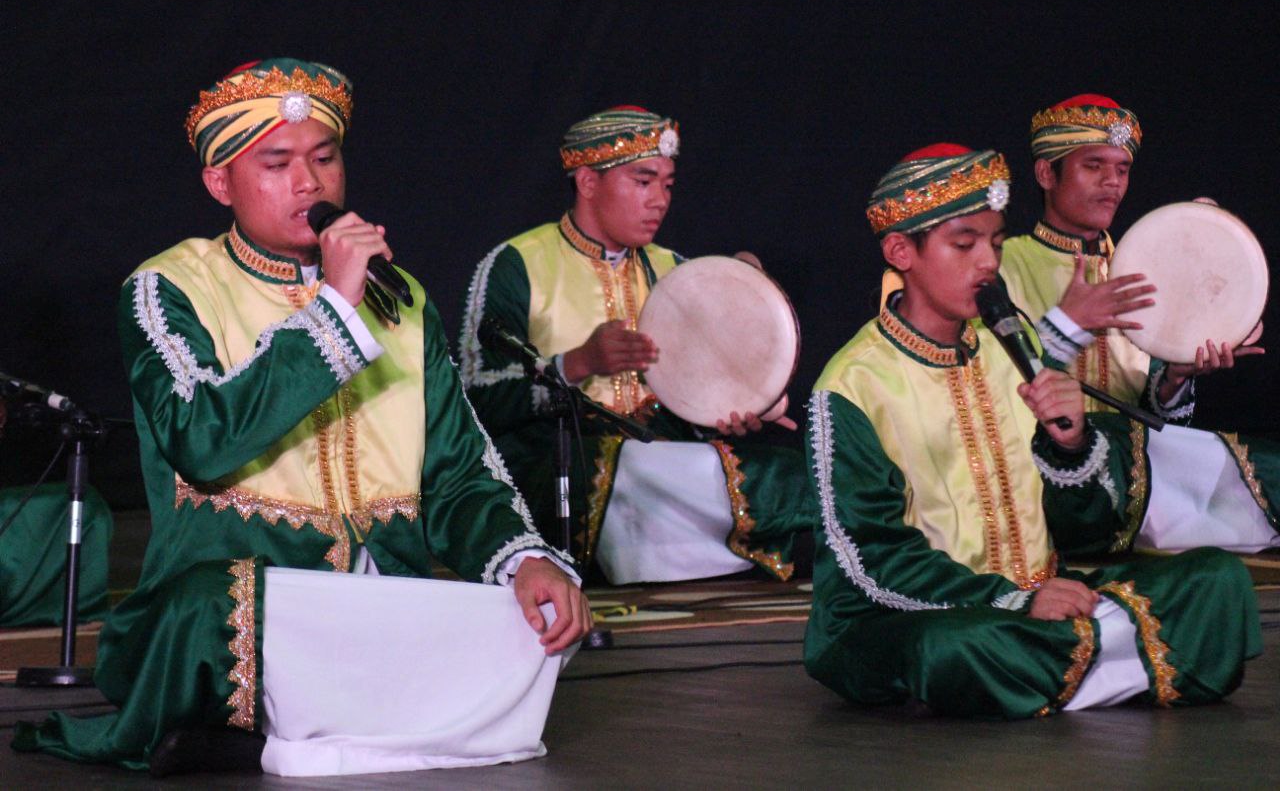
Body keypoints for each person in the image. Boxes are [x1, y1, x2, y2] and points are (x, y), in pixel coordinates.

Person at [13, 58, 589, 776]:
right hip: (253, 605)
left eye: (324, 158)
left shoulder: (401, 298)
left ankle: (313, 735)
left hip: (379, 605)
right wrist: (337, 317)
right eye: (277, 162)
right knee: (203, 608)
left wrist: (525, 558)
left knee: (522, 616)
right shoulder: (167, 288)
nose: (309, 183)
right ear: (220, 182)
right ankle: (366, 726)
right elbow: (201, 440)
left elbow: (461, 472)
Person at [804, 143, 1260, 718]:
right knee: (948, 649)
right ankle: (1109, 659)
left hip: (1040, 595)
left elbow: (1081, 523)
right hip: (914, 614)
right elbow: (869, 561)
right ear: (902, 251)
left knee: (1216, 579)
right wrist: (1017, 600)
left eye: (994, 244)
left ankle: (1066, 666)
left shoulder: (1013, 350)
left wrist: (1071, 446)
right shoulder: (850, 385)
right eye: (964, 244)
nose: (989, 263)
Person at [459, 106, 814, 585]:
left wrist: (743, 405)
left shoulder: (680, 272)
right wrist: (577, 364)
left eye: (667, 185)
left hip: (668, 457)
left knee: (796, 473)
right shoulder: (516, 262)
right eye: (643, 182)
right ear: (587, 182)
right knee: (639, 470)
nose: (660, 201)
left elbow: (700, 393)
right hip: (564, 462)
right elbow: (475, 397)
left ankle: (675, 560)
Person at [1000, 95, 1278, 554]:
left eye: (1123, 169)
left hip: (1138, 469)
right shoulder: (1003, 268)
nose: (1112, 183)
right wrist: (1068, 326)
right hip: (1048, 480)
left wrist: (1176, 376)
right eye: (1094, 166)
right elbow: (992, 392)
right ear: (1046, 174)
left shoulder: (1142, 263)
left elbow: (1155, 413)